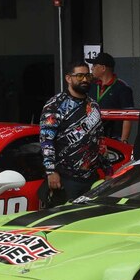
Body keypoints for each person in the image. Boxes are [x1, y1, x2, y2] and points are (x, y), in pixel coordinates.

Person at [39, 60, 112, 206]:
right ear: (68, 78)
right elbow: (46, 140)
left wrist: (109, 171)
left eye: (87, 76)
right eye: (79, 76)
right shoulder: (55, 105)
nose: (85, 80)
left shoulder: (93, 105)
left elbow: (100, 140)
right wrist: (50, 171)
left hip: (92, 179)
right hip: (66, 179)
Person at [87, 52, 134, 142]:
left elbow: (128, 117)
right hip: (93, 138)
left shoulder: (122, 87)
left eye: (95, 65)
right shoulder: (91, 86)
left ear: (103, 68)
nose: (92, 68)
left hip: (114, 140)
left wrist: (124, 141)